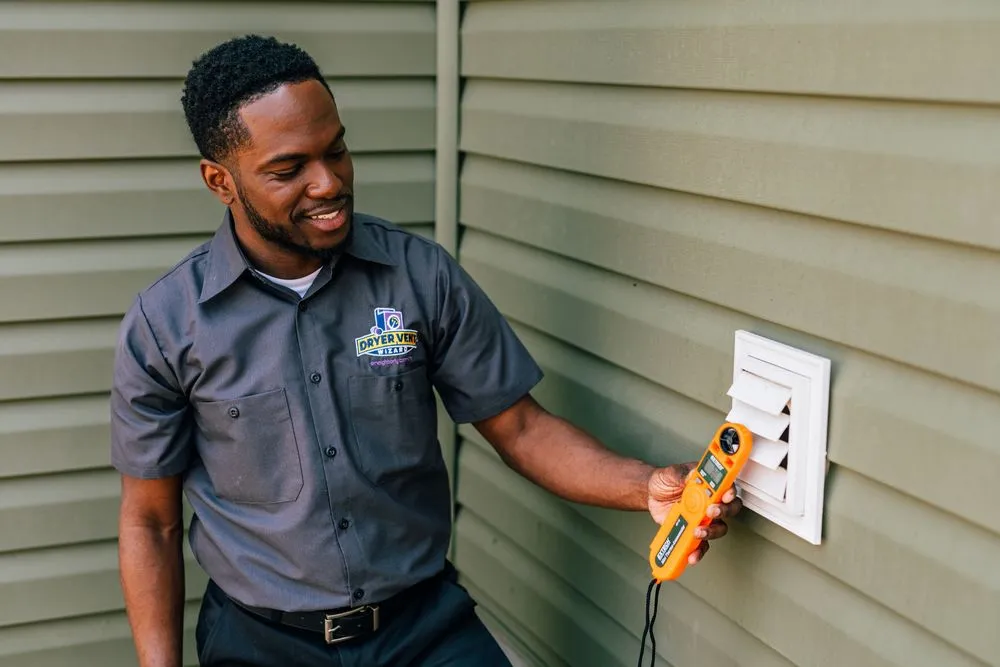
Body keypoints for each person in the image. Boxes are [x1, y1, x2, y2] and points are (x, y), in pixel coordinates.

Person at [109, 34, 742, 667]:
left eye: (337, 150)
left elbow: (522, 428)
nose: (328, 183)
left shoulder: (420, 277)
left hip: (422, 630)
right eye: (289, 168)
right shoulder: (167, 324)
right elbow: (150, 523)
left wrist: (647, 488)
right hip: (261, 643)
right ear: (220, 181)